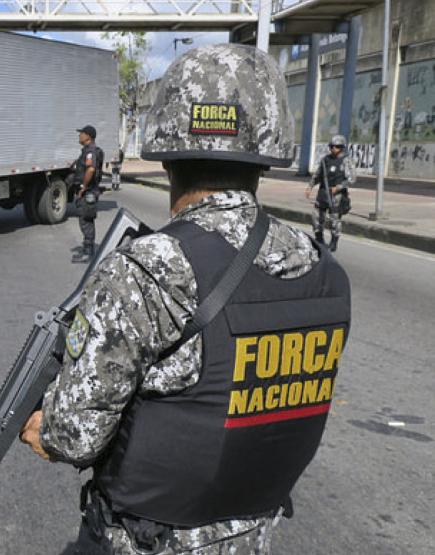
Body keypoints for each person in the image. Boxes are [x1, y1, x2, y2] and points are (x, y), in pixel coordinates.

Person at [20, 44, 351, 555]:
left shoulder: (146, 270)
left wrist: (43, 427)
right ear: (265, 151)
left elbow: (76, 434)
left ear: (168, 154)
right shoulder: (324, 270)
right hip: (252, 536)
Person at [305, 135, 354, 252]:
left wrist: (339, 187)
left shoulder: (346, 160)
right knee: (316, 217)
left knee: (335, 220)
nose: (333, 149)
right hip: (323, 193)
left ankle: (333, 242)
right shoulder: (325, 160)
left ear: (342, 147)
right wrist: (310, 186)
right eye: (332, 146)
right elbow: (317, 175)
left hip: (337, 196)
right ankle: (319, 239)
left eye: (337, 146)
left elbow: (352, 178)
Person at [71, 125, 104, 264]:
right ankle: (87, 250)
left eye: (82, 133)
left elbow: (90, 169)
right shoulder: (88, 150)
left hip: (89, 191)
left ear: (88, 136)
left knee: (86, 220)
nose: (80, 135)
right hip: (89, 190)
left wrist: (84, 186)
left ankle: (88, 253)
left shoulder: (90, 151)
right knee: (86, 219)